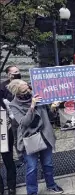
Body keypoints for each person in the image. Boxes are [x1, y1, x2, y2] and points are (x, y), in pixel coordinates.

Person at [7, 79, 63, 194]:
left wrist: (53, 107)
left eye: (28, 87)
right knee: (32, 167)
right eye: (25, 90)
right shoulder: (14, 105)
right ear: (18, 92)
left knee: (48, 164)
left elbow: (50, 116)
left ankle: (51, 185)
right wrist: (32, 105)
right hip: (29, 139)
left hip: (45, 135)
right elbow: (24, 123)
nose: (29, 90)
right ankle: (32, 192)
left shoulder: (39, 95)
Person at [0, 66, 18, 195]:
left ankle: (12, 186)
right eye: (14, 72)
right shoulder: (2, 87)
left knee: (8, 159)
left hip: (5, 130)